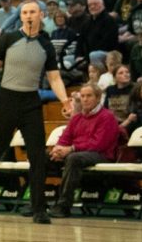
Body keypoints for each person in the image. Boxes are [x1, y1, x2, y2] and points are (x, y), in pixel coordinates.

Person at [0, 0, 73, 223]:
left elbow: (54, 77)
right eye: (24, 12)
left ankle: (39, 209)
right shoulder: (8, 38)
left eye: (32, 11)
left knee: (37, 155)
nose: (28, 15)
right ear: (21, 16)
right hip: (6, 100)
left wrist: (65, 101)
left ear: (41, 15)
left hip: (31, 101)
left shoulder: (46, 43)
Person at [48, 84, 121, 217]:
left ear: (98, 98)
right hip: (79, 153)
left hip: (101, 155)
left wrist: (71, 149)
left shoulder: (107, 117)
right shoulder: (77, 118)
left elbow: (98, 144)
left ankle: (64, 206)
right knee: (43, 156)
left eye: (89, 96)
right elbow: (65, 137)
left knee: (73, 158)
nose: (85, 99)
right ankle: (37, 203)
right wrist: (58, 149)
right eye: (82, 96)